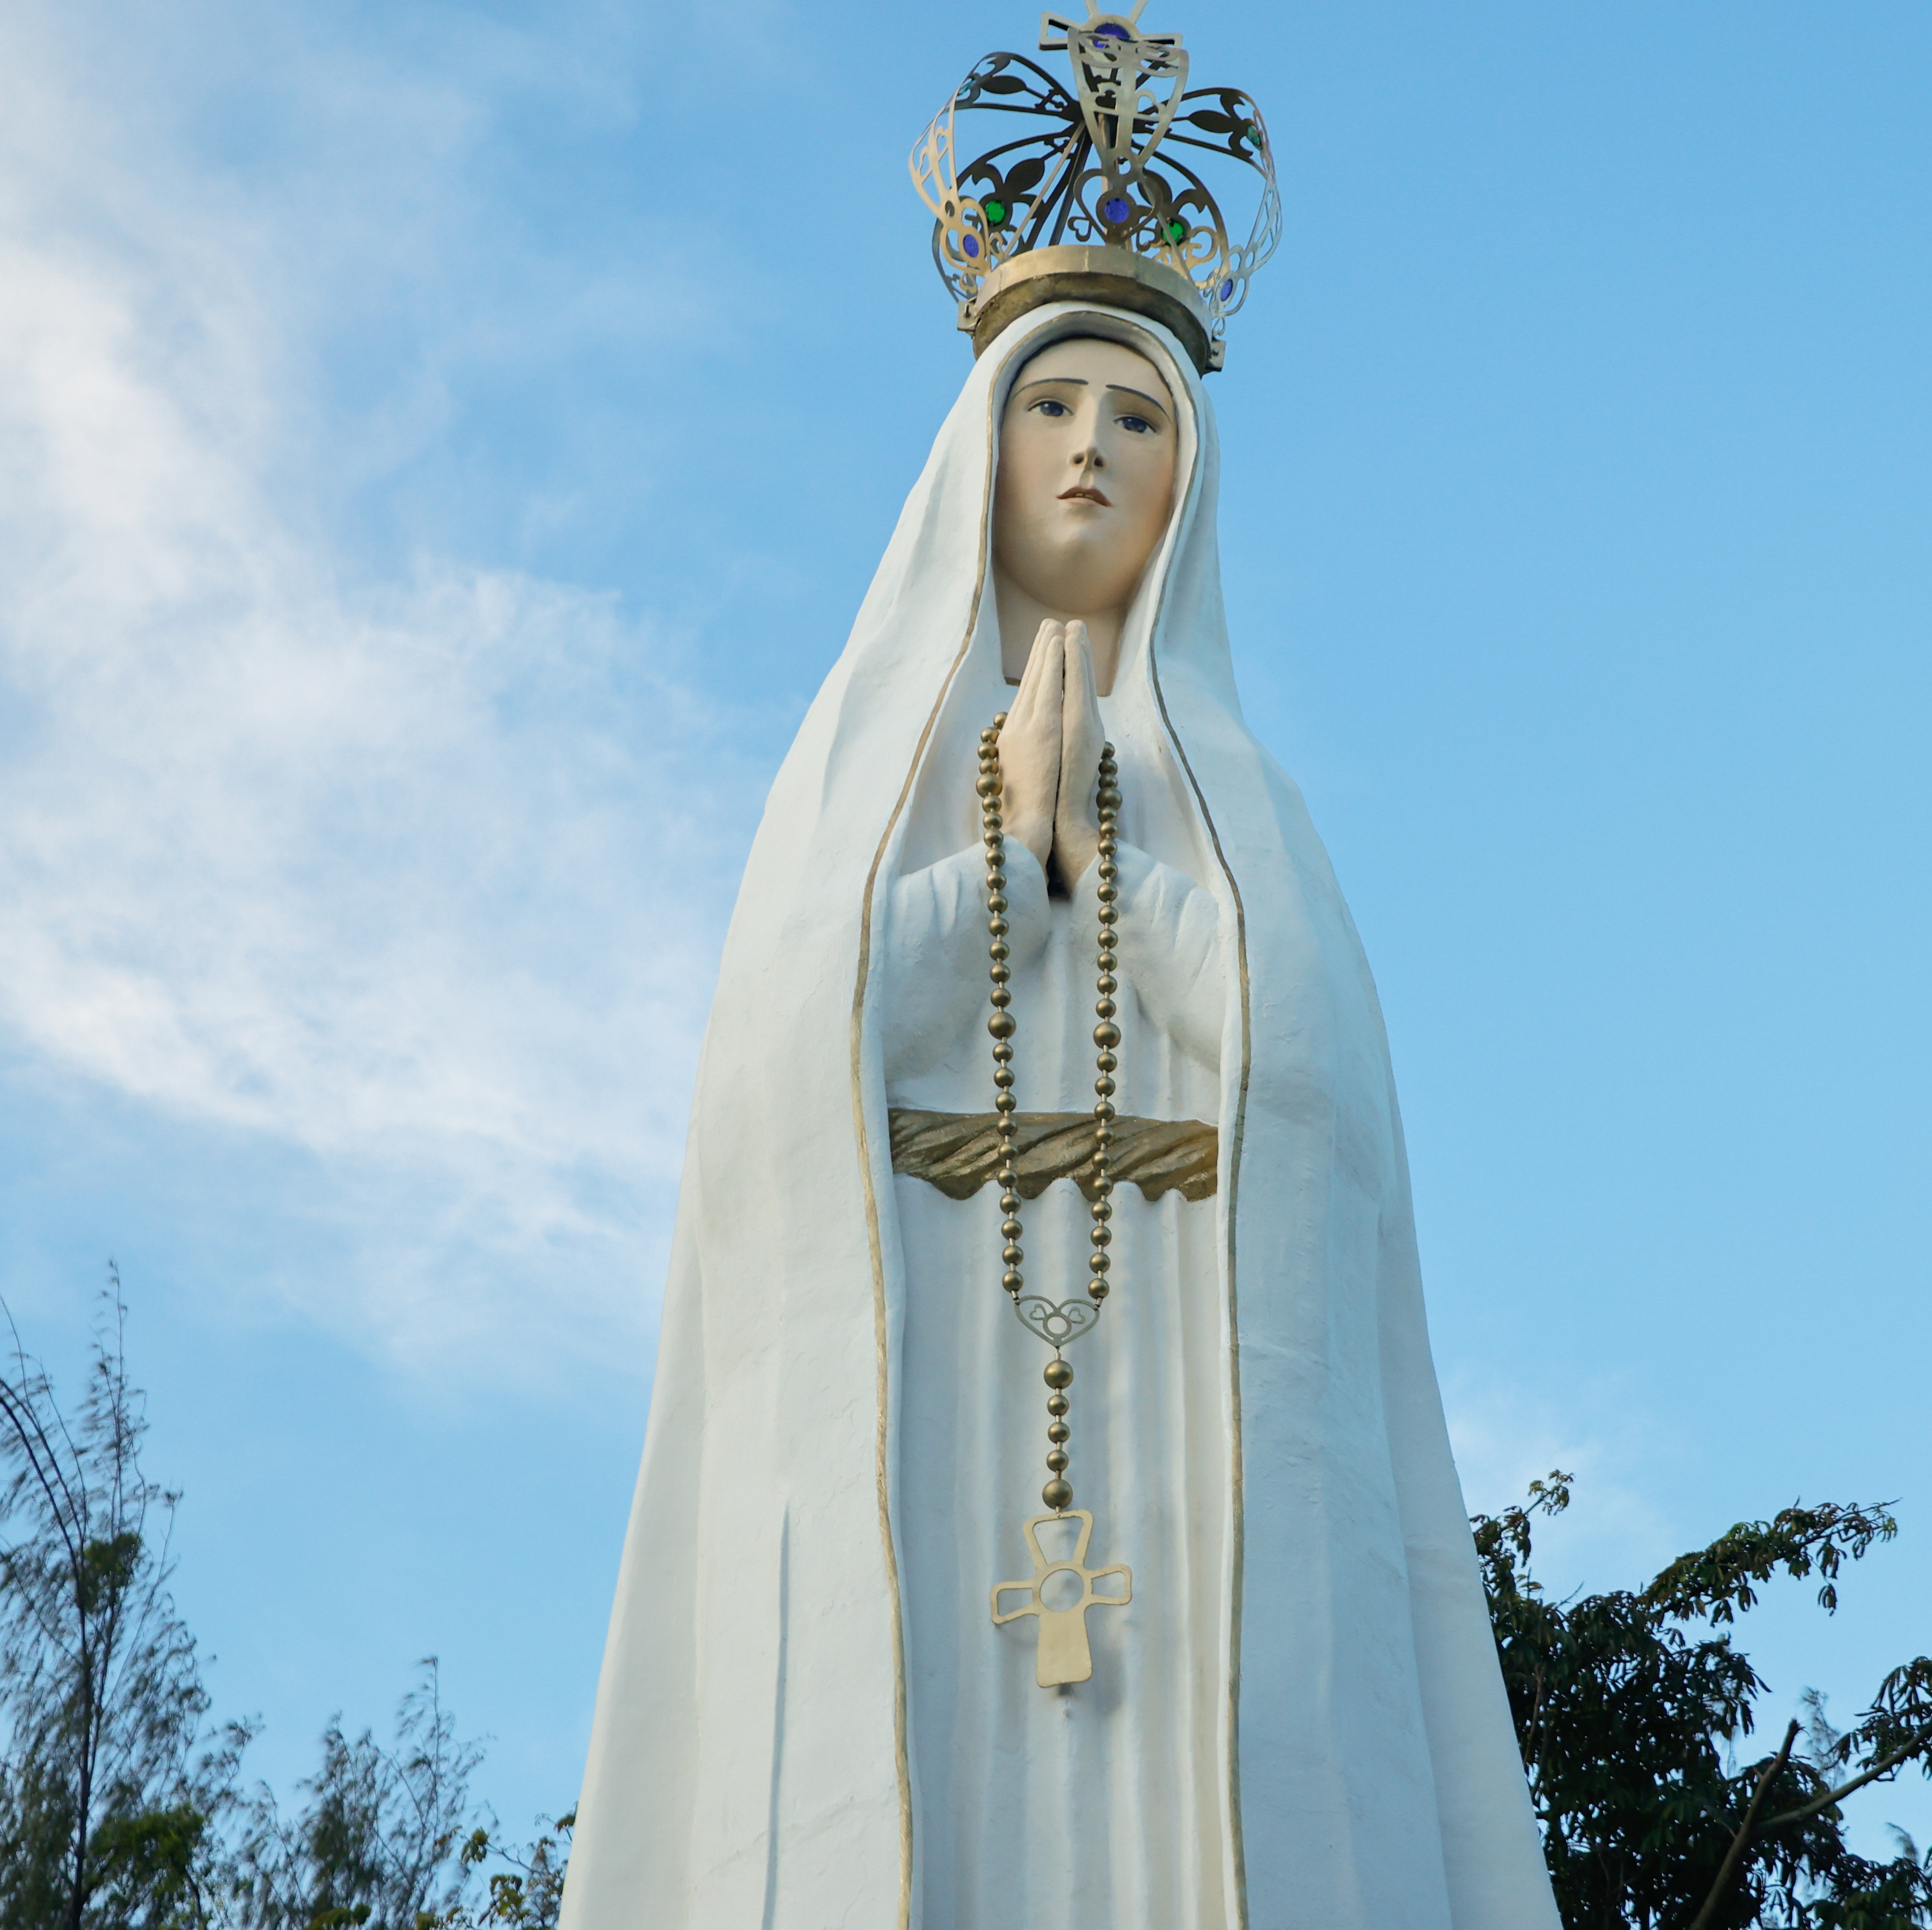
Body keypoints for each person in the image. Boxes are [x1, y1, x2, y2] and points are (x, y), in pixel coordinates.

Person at [564, 303, 1563, 1930]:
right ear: (979, 454)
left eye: (1138, 419)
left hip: (1200, 1463)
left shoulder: (1248, 794)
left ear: (1191, 485)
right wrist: (1000, 856)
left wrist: (1104, 864)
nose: (1092, 445)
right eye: (1053, 407)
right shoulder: (851, 767)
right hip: (922, 1430)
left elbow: (1317, 1091)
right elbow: (776, 1075)